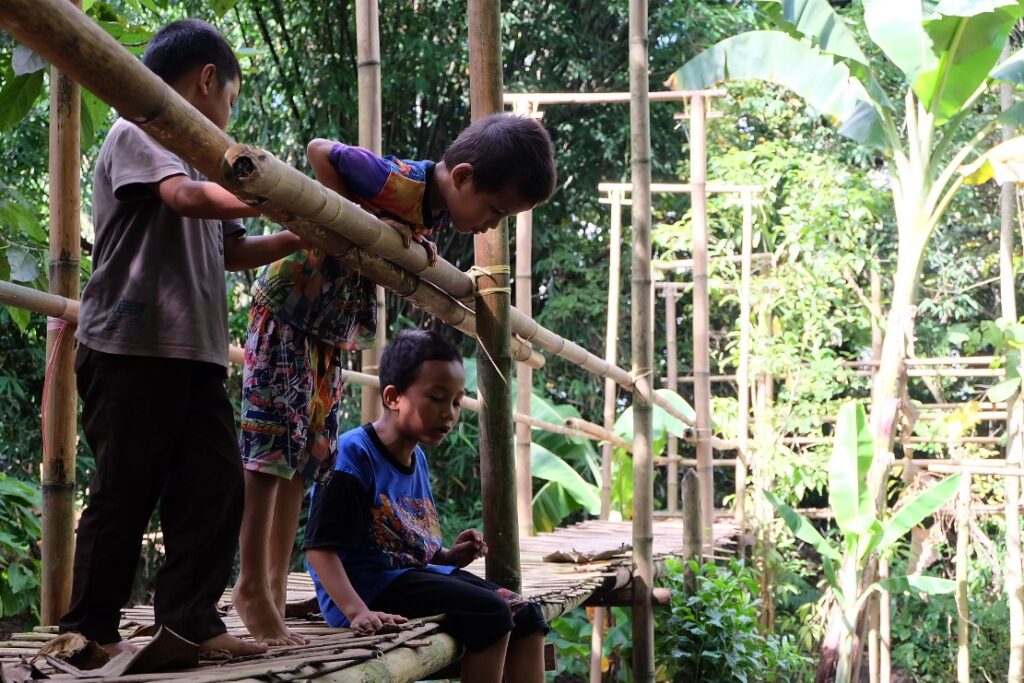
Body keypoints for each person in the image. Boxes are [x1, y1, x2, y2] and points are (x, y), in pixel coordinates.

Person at [231, 113, 556, 646]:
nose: (492, 225)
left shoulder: (433, 209)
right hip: (288, 311)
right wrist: (355, 216)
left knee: (306, 458)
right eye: (495, 211)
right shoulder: (401, 181)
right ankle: (250, 585)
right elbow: (319, 150)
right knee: (269, 455)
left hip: (327, 332)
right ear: (465, 178)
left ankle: (268, 584)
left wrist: (406, 240)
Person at [58, 19, 306, 659]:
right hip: (131, 346)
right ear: (206, 80)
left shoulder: (203, 164)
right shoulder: (138, 129)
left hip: (194, 352)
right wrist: (267, 191)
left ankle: (191, 621)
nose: (229, 114)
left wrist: (295, 235)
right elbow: (184, 200)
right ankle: (89, 629)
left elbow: (231, 251)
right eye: (232, 98)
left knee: (215, 487)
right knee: (125, 490)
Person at [304, 330, 547, 683]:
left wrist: (450, 557)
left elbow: (407, 549)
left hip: (408, 579)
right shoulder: (352, 456)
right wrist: (356, 610)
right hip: (367, 592)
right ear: (393, 397)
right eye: (436, 398)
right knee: (491, 613)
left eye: (456, 402)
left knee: (527, 614)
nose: (448, 414)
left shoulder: (416, 457)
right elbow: (319, 549)